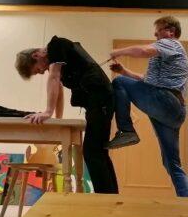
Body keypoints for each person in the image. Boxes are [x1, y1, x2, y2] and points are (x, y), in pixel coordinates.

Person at [15, 36, 119, 194]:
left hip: (100, 100)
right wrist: (58, 119)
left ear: (36, 55)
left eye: (37, 70)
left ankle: (105, 198)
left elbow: (54, 77)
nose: (41, 72)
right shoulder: (58, 60)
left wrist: (47, 111)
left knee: (92, 152)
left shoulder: (56, 46)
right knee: (98, 151)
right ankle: (111, 196)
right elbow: (59, 90)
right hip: (98, 102)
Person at [106, 16, 188, 197]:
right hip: (174, 111)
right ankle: (187, 204)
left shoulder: (171, 43)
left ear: (170, 32)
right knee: (172, 164)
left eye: (158, 31)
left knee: (119, 83)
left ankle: (126, 131)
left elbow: (144, 51)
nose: (155, 36)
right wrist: (124, 71)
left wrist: (119, 51)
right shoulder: (171, 53)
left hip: (166, 101)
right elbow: (147, 81)